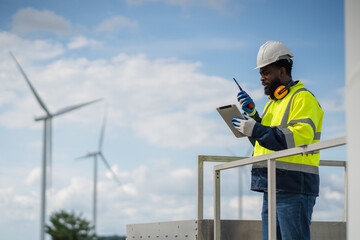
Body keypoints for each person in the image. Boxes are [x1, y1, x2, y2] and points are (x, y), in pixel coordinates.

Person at [232, 40, 323, 240]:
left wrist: (256, 128)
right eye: (260, 74)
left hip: (294, 186)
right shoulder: (273, 104)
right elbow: (265, 144)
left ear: (282, 71)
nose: (262, 78)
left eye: (266, 73)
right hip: (272, 185)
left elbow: (295, 140)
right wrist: (254, 117)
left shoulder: (302, 98)